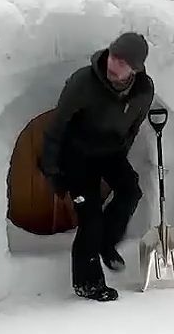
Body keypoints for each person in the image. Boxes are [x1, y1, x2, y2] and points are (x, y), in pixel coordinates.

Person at [38, 32, 154, 302]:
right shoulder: (84, 82)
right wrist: (52, 169)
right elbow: (58, 125)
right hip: (76, 155)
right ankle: (88, 283)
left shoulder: (143, 91)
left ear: (135, 70)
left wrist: (120, 156)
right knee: (90, 216)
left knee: (130, 192)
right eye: (113, 56)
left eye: (123, 62)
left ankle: (107, 241)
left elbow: (134, 127)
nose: (113, 64)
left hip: (110, 153)